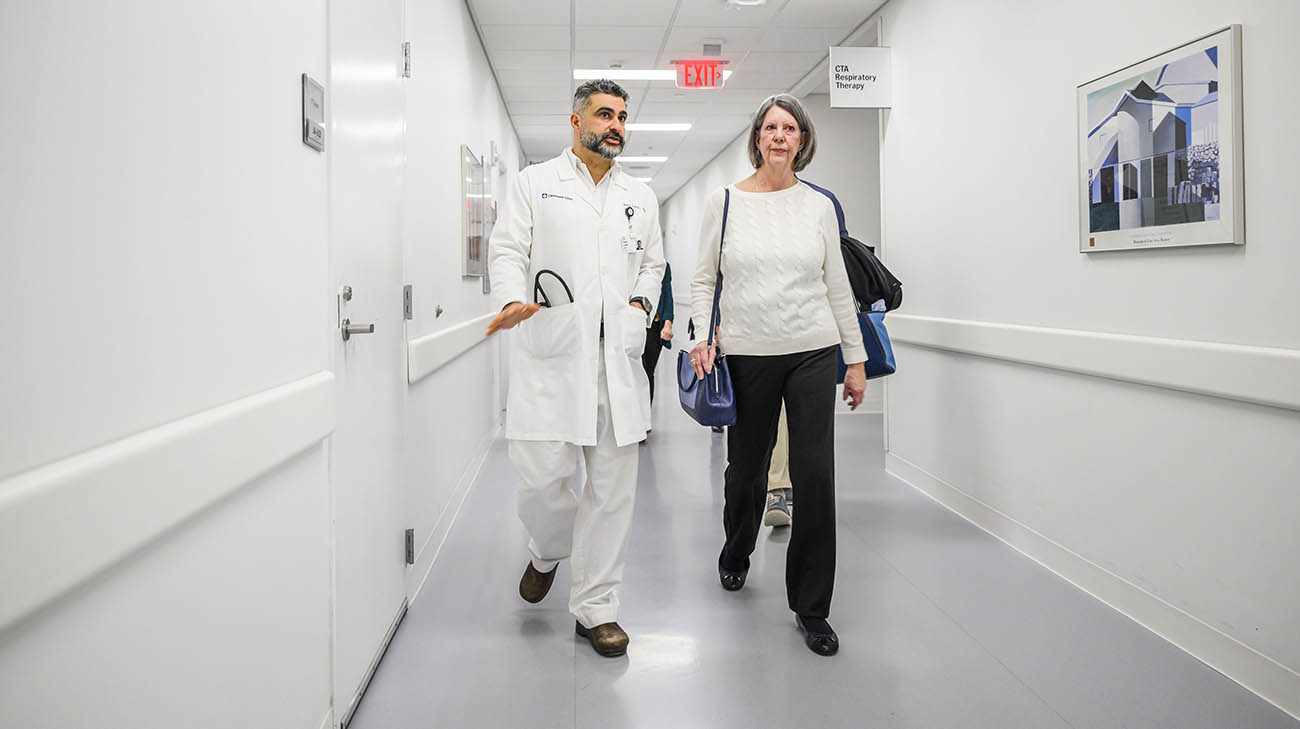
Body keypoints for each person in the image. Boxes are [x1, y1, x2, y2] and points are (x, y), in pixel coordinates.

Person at [485, 79, 665, 658]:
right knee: (540, 479)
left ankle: (597, 608)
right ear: (575, 121)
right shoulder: (534, 184)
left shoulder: (641, 194)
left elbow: (652, 266)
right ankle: (547, 549)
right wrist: (512, 297)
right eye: (604, 114)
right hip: (553, 355)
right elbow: (509, 248)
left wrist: (639, 306)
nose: (615, 125)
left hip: (618, 360)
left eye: (621, 116)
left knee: (612, 492)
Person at [688, 94, 866, 657]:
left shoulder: (819, 206)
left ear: (803, 141)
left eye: (790, 128)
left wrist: (855, 360)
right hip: (746, 351)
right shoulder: (726, 203)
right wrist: (700, 336)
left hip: (812, 349)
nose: (780, 137)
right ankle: (736, 550)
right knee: (747, 470)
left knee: (815, 477)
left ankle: (812, 607)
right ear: (757, 139)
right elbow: (701, 280)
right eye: (771, 127)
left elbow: (837, 285)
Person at [641, 262, 674, 406]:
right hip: (634, 322)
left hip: (654, 326)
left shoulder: (664, 266)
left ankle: (645, 416)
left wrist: (668, 324)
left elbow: (667, 294)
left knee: (648, 371)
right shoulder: (630, 261)